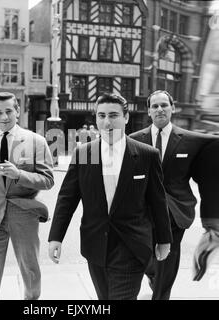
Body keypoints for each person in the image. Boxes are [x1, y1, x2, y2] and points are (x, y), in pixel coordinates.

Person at [48, 93, 172, 300]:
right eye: (101, 116)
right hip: (96, 244)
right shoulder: (84, 153)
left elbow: (158, 201)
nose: (107, 122)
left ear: (126, 117)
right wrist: (55, 237)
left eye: (113, 115)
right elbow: (67, 199)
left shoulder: (146, 154)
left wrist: (164, 240)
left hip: (132, 245)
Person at [130, 90, 214, 300]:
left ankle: (161, 296)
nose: (160, 109)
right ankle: (153, 274)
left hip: (175, 212)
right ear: (148, 111)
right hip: (143, 212)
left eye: (164, 105)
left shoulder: (192, 140)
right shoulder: (133, 140)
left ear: (172, 108)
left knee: (168, 258)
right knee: (145, 255)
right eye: (155, 106)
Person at [0, 92, 54, 300]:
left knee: (31, 272)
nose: (4, 117)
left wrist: (19, 175)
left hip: (24, 216)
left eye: (9, 111)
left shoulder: (36, 141)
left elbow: (48, 180)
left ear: (18, 111)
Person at [191, 138, 219, 280]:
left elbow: (195, 173)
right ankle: (201, 257)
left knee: (213, 232)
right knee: (215, 234)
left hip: (208, 206)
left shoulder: (209, 147)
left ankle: (201, 260)